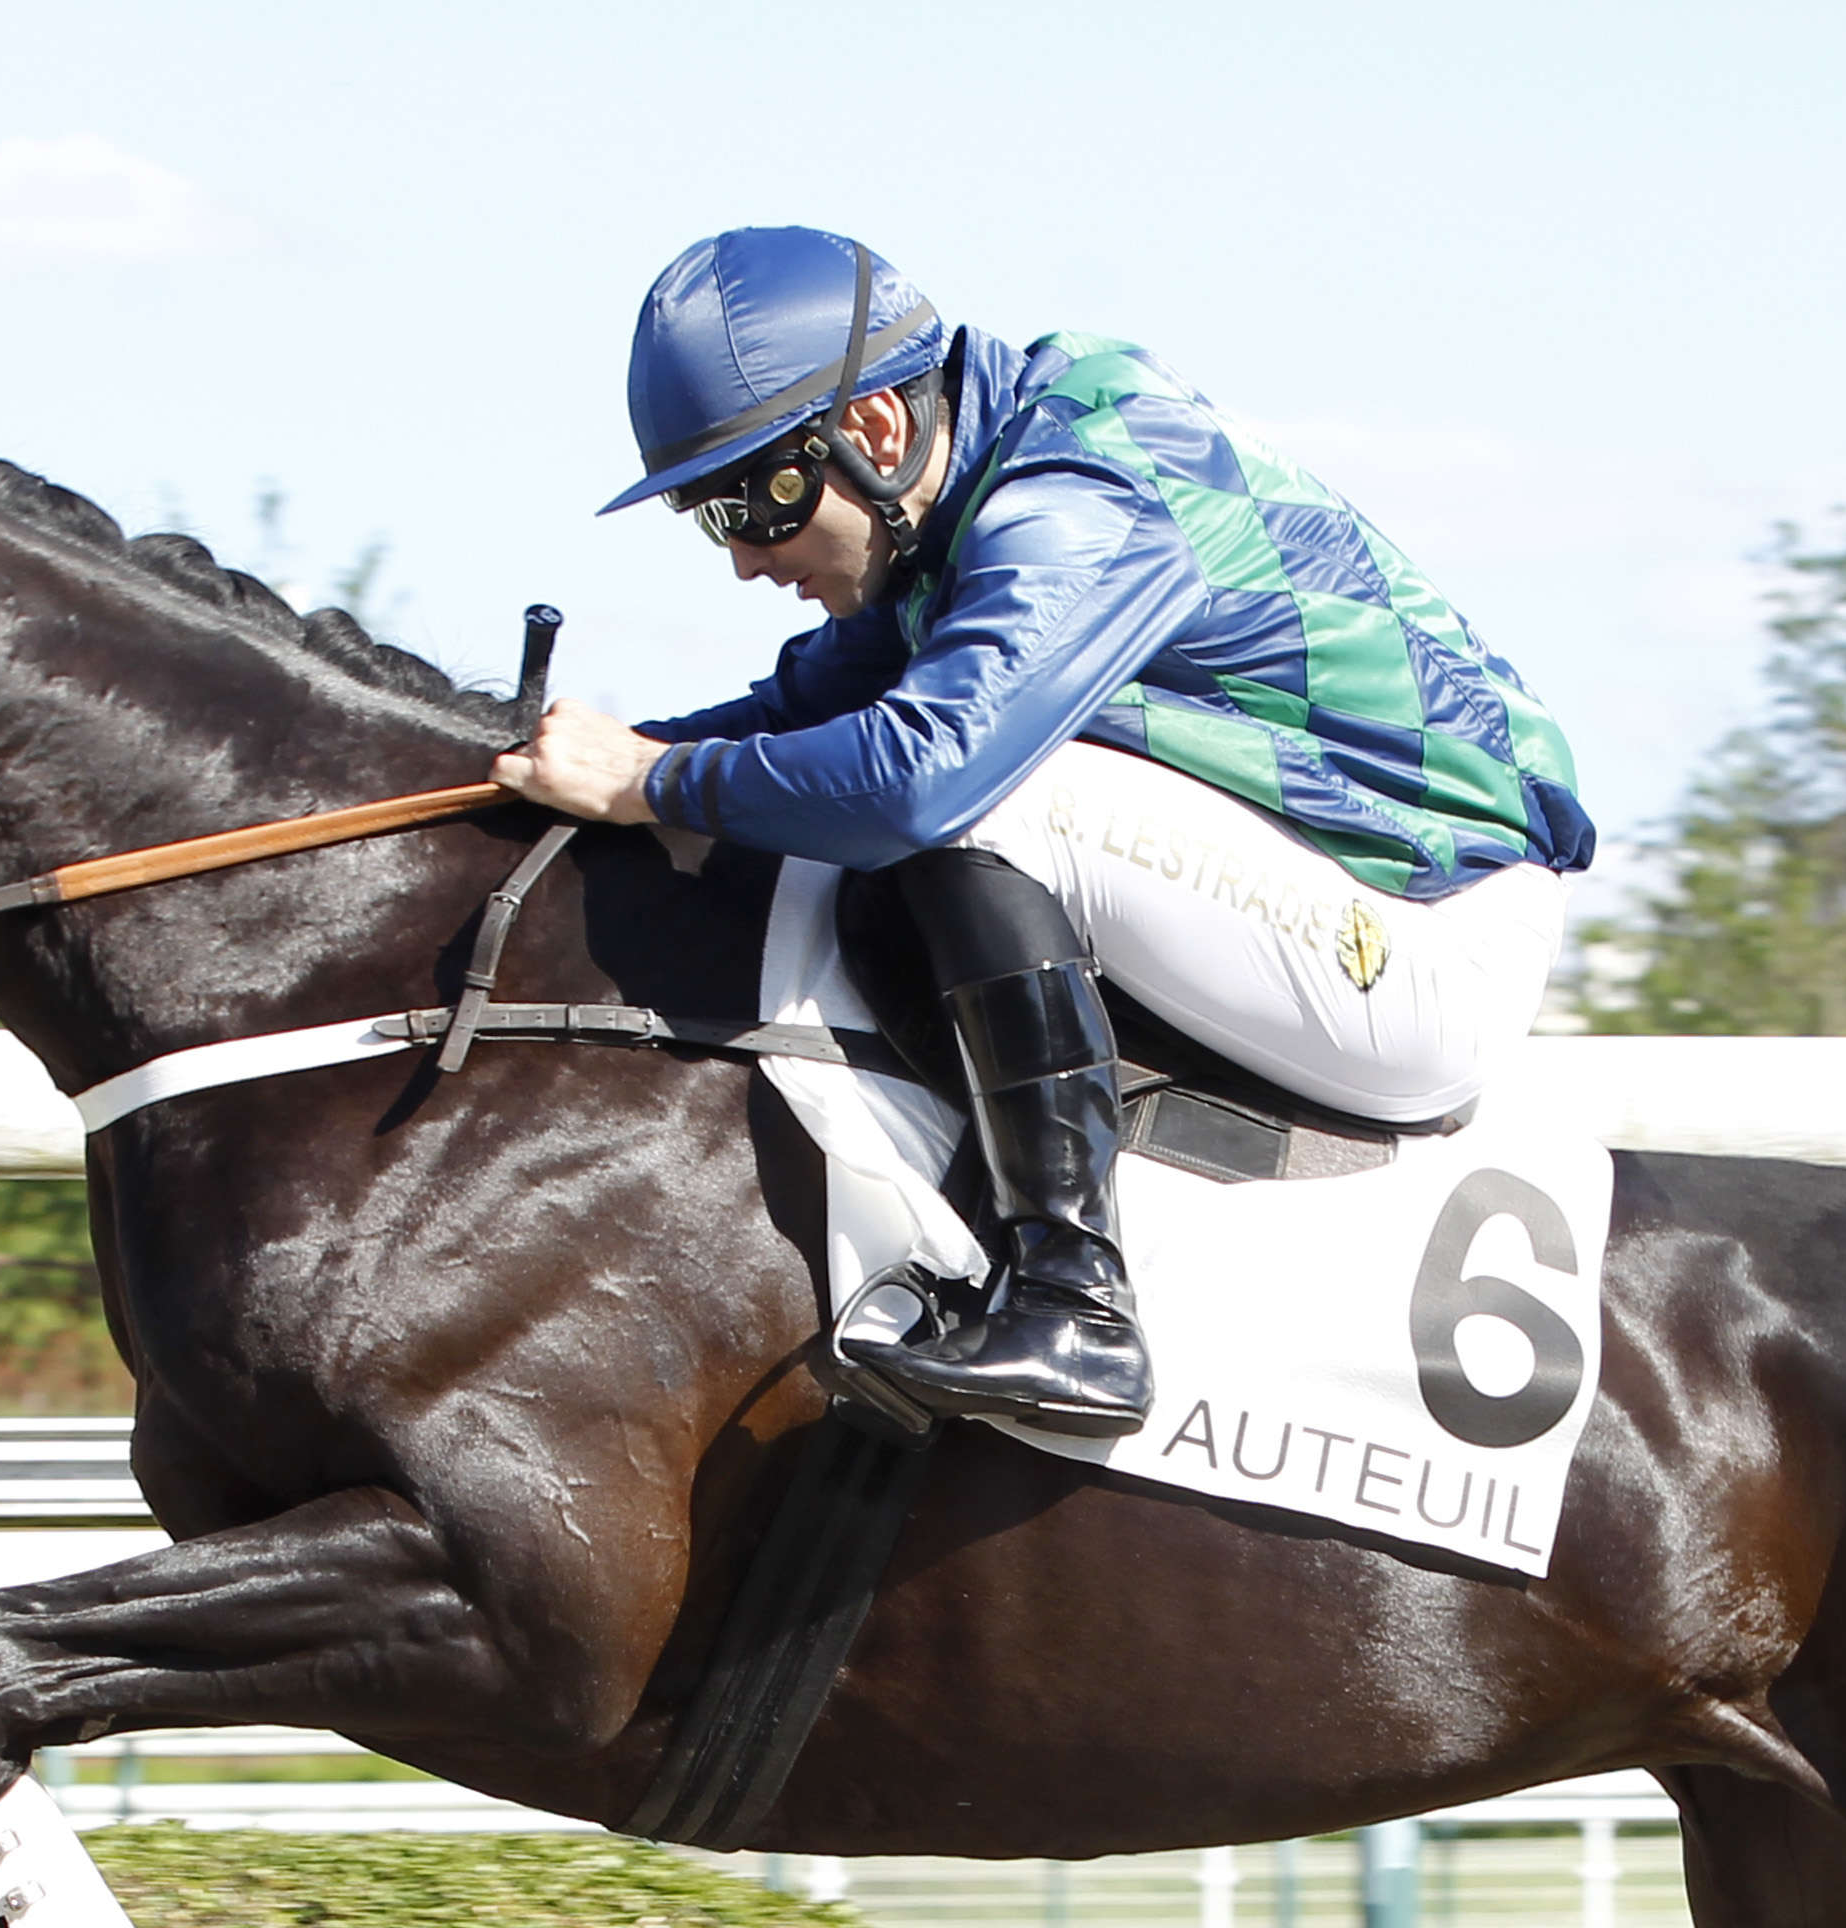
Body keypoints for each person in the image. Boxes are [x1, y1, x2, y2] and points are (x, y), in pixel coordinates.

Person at [496, 226, 1595, 1438]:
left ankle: (1078, 1307)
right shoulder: (956, 488)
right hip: (1332, 892)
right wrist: (569, 772)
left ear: (869, 431)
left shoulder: (1076, 502)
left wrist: (655, 780)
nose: (749, 558)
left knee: (987, 800)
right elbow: (797, 706)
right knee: (859, 835)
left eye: (760, 499)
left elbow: (917, 780)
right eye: (713, 518)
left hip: (1424, 941)